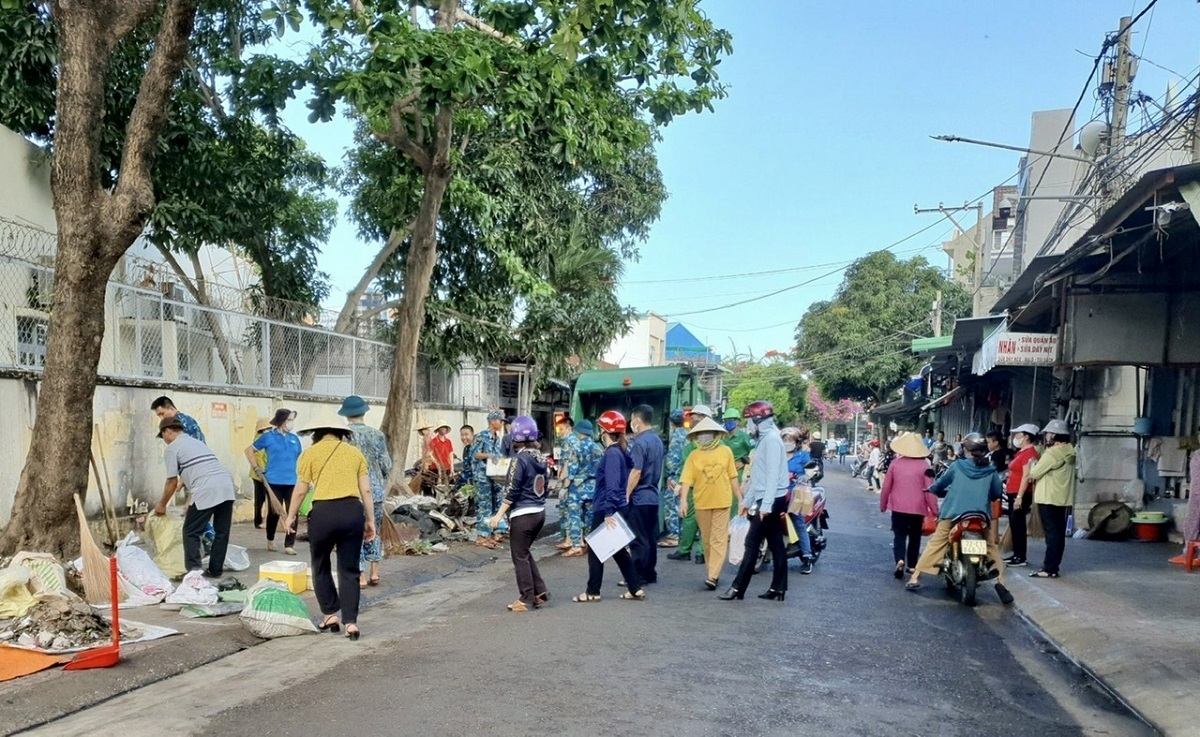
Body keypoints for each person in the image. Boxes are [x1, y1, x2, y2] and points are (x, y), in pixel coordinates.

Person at [283, 411, 376, 642]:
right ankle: (351, 623)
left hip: (323, 513)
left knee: (320, 564)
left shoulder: (309, 454)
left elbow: (301, 489)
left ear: (316, 434)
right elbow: (366, 490)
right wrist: (370, 520)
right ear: (342, 434)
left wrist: (290, 516)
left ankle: (330, 615)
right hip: (352, 511)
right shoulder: (355, 454)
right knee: (349, 569)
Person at [906, 436, 1013, 605]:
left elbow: (940, 484)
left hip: (953, 514)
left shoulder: (957, 466)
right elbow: (995, 494)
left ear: (966, 450)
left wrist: (932, 488)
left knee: (937, 542)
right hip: (980, 516)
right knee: (990, 546)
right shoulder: (991, 471)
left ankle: (915, 576)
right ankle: (1001, 582)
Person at [721, 400, 790, 602]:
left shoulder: (771, 440)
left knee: (751, 543)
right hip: (768, 498)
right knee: (776, 543)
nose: (747, 425)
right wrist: (746, 502)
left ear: (759, 420)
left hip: (771, 499)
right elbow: (757, 477)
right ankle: (778, 588)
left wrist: (765, 505)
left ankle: (737, 588)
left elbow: (771, 476)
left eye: (750, 420)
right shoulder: (765, 439)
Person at [573, 410, 645, 603]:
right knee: (618, 550)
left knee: (596, 548)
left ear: (604, 430)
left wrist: (607, 513)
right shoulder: (619, 451)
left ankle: (592, 591)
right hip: (616, 506)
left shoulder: (612, 453)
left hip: (607, 507)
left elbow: (612, 486)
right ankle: (635, 587)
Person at [154, 416, 235, 576]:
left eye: (162, 436)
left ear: (167, 431)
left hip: (206, 489)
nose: (164, 439)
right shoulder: (196, 443)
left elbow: (171, 481)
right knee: (222, 532)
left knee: (190, 531)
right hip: (225, 486)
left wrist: (162, 504)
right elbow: (199, 466)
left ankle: (194, 574)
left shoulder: (172, 448)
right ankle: (215, 570)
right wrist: (183, 483)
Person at [488, 416, 551, 612]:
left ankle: (526, 598)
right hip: (539, 512)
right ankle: (539, 591)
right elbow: (546, 486)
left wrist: (498, 516)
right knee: (524, 552)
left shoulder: (519, 459)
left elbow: (512, 490)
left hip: (523, 515)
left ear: (515, 437)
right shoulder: (540, 457)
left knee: (519, 556)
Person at [678, 416, 740, 591]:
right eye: (701, 433)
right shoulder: (693, 455)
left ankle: (713, 575)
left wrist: (740, 499)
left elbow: (733, 476)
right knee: (706, 540)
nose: (704, 436)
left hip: (723, 501)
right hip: (701, 503)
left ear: (714, 434)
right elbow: (686, 480)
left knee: (718, 539)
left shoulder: (726, 451)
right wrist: (683, 501)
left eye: (707, 433)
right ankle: (712, 572)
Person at [338, 395, 392, 590]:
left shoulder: (343, 437)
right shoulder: (377, 435)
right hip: (375, 492)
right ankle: (375, 572)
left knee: (355, 534)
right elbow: (387, 464)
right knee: (374, 530)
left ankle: (360, 576)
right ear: (364, 412)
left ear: (346, 415)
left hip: (351, 492)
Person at [880, 433, 939, 579]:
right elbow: (929, 490)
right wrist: (935, 509)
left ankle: (899, 560)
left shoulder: (895, 463)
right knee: (915, 537)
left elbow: (886, 486)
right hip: (918, 508)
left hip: (898, 507)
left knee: (899, 535)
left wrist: (883, 503)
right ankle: (912, 565)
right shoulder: (925, 466)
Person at [1024, 420, 1076, 579]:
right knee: (1058, 534)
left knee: (1052, 535)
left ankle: (1049, 568)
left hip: (1048, 497)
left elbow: (1034, 473)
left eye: (1047, 434)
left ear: (1053, 435)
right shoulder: (1069, 450)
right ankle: (1053, 567)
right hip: (1062, 498)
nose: (1046, 436)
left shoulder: (1053, 453)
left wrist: (1032, 464)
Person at [247, 408, 303, 554]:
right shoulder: (268, 437)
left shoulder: (294, 439)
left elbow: (299, 459)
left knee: (293, 512)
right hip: (273, 481)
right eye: (289, 420)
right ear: (281, 421)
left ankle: (289, 544)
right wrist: (257, 468)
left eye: (292, 420)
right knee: (274, 512)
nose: (291, 423)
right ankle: (270, 539)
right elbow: (249, 451)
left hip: (292, 481)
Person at [669, 404, 716, 564]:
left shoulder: (696, 443)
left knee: (698, 518)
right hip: (700, 485)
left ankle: (694, 551)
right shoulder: (700, 442)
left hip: (704, 485)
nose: (693, 420)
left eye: (696, 417)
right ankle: (693, 551)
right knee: (692, 518)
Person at [626, 404, 664, 585]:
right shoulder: (657, 440)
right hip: (653, 496)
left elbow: (636, 472)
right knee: (650, 537)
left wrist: (626, 494)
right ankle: (650, 573)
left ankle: (637, 575)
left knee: (638, 538)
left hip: (640, 496)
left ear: (637, 420)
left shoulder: (639, 443)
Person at [1004, 423, 1042, 568]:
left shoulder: (1030, 454)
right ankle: (1016, 554)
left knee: (1018, 524)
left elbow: (1027, 475)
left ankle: (1020, 557)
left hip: (1020, 493)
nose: (1016, 437)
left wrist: (1019, 496)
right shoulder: (1021, 452)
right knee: (1014, 524)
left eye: (1019, 435)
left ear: (1026, 436)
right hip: (1013, 491)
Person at [471, 411, 508, 547]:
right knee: (483, 506)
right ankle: (481, 536)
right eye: (500, 420)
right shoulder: (481, 436)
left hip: (493, 477)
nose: (501, 423)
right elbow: (475, 454)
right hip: (482, 477)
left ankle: (490, 534)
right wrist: (489, 455)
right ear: (493, 421)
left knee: (492, 506)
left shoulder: (497, 438)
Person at [781, 427, 814, 574]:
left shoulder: (802, 455)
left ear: (797, 442)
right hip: (778, 492)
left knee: (798, 522)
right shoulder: (777, 454)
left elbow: (811, 470)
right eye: (785, 439)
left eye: (791, 440)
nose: (788, 442)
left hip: (796, 493)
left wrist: (805, 476)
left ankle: (807, 557)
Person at [661, 409, 688, 549]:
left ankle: (674, 535)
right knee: (683, 505)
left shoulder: (676, 436)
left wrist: (671, 476)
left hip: (676, 477)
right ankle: (683, 534)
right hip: (686, 476)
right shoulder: (689, 435)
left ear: (671, 422)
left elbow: (673, 460)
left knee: (671, 504)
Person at [555, 416, 582, 551]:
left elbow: (566, 463)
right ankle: (576, 539)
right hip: (577, 481)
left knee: (566, 510)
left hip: (569, 481)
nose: (559, 432)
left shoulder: (568, 442)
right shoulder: (576, 441)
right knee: (575, 511)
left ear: (568, 428)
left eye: (560, 429)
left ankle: (569, 540)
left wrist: (562, 483)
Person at [249, 419, 272, 529]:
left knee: (262, 499)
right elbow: (258, 458)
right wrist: (263, 474)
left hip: (261, 473)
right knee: (261, 499)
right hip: (260, 475)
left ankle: (260, 520)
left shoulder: (262, 438)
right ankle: (259, 521)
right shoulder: (260, 439)